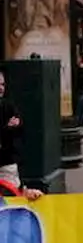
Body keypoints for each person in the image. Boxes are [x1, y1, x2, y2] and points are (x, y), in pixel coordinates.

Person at [0, 71, 42, 201]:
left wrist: (8, 130)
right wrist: (7, 129)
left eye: (2, 84)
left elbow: (19, 127)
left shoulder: (8, 106)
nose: (1, 88)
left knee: (12, 200)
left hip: (6, 164)